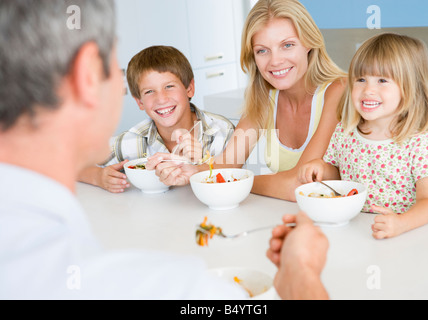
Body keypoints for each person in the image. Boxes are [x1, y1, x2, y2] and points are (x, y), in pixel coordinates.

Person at [0, 0, 329, 300]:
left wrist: (211, 174)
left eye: (287, 45)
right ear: (87, 75)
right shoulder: (180, 288)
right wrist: (300, 268)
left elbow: (235, 169)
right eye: (114, 68)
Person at [146, 0, 347, 201]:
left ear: (309, 42)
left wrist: (235, 182)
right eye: (262, 50)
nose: (275, 61)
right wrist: (191, 172)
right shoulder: (264, 99)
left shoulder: (338, 90)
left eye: (287, 45)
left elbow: (299, 185)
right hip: (291, 217)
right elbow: (226, 165)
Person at [298, 33, 428, 239]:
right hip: (358, 232)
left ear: (409, 88)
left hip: (408, 236)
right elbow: (338, 174)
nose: (368, 90)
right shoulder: (345, 132)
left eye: (382, 80)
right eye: (361, 79)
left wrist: (401, 223)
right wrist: (320, 168)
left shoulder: (420, 145)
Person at [78, 45, 234, 193]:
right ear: (139, 102)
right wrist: (98, 177)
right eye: (149, 91)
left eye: (169, 87)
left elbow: (235, 181)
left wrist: (200, 164)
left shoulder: (221, 133)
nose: (161, 99)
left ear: (189, 88)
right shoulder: (133, 140)